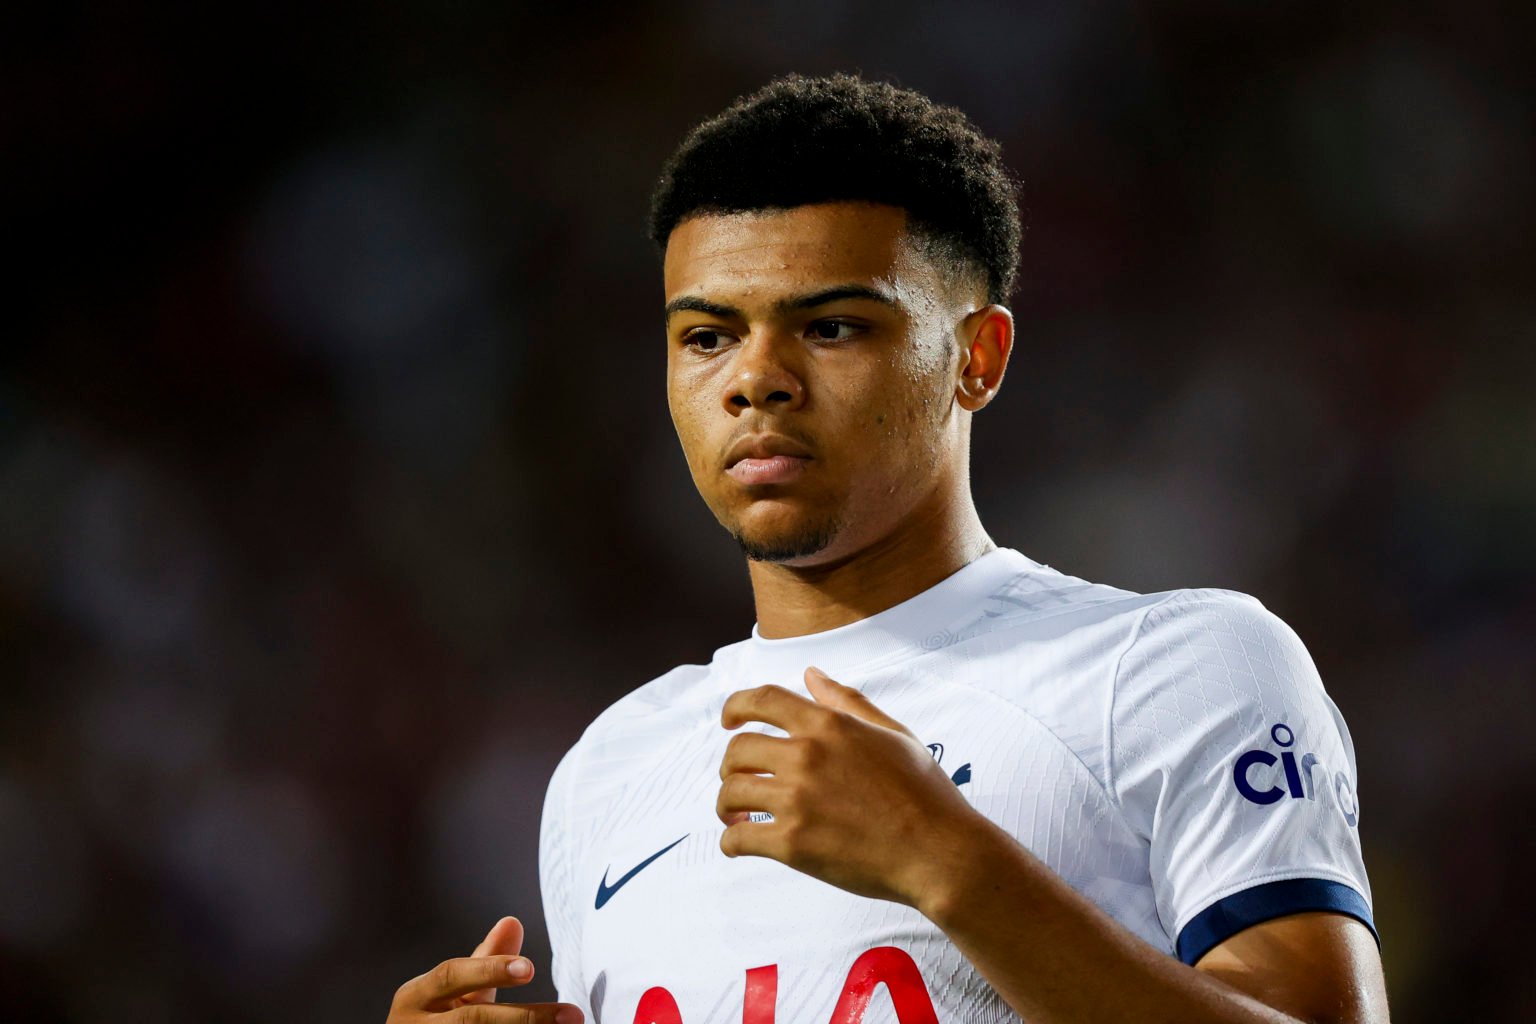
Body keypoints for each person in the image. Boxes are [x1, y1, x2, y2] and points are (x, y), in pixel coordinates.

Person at [387, 74, 1389, 1024]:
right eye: (706, 337)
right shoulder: (610, 768)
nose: (755, 380)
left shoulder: (1175, 668)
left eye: (829, 327)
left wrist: (952, 867)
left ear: (976, 358)